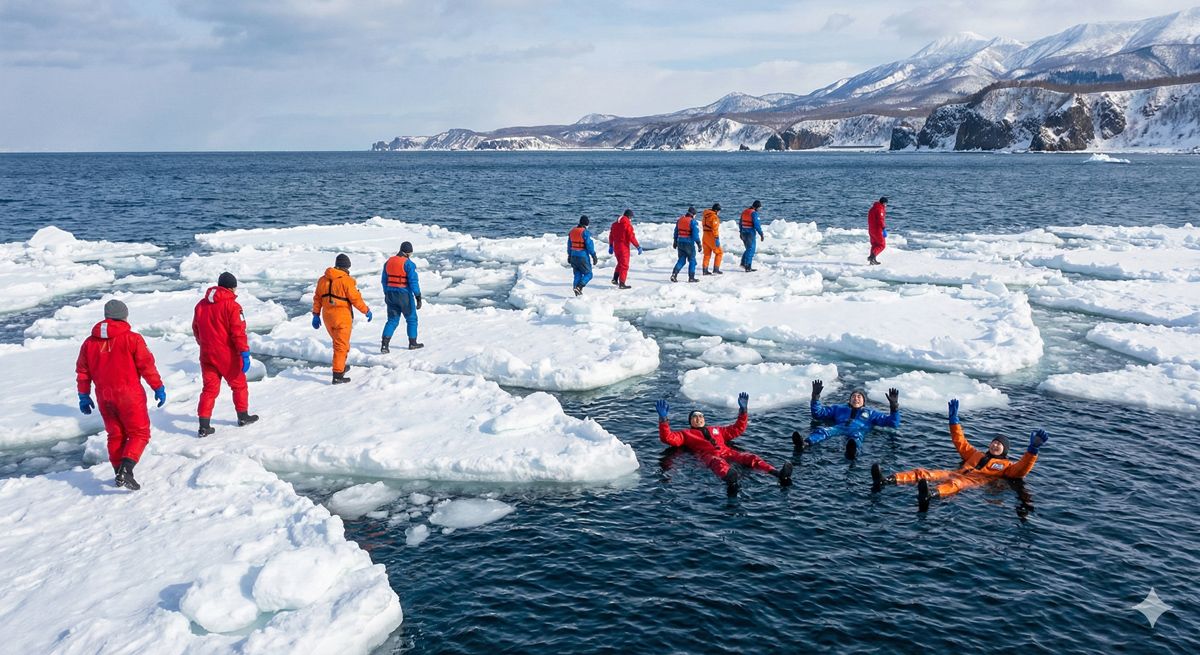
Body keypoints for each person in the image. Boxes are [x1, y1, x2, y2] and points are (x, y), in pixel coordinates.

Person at [872, 399, 1050, 512]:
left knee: (954, 485)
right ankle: (886, 480)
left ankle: (930, 494)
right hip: (954, 471)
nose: (996, 445)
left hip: (973, 481)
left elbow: (1021, 471)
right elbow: (960, 441)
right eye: (994, 442)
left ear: (1004, 451)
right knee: (924, 472)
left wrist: (1032, 450)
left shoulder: (1007, 466)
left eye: (1000, 444)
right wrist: (954, 420)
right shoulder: (976, 454)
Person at [76, 299, 166, 491]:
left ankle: (119, 473)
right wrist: (158, 387)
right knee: (139, 433)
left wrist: (84, 395)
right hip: (129, 395)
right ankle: (126, 471)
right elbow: (146, 366)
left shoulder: (89, 343)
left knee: (115, 435)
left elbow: (83, 372)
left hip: (104, 396)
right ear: (124, 316)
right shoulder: (132, 339)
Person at [656, 393, 793, 496]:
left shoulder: (717, 430)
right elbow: (668, 438)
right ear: (690, 422)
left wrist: (743, 412)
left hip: (727, 452)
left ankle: (776, 473)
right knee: (718, 463)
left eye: (701, 416)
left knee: (750, 457)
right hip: (707, 456)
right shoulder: (685, 434)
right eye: (695, 417)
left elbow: (737, 428)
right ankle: (730, 479)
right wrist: (664, 420)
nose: (698, 419)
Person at [193, 272, 258, 438]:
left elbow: (196, 328)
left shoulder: (201, 305)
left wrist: (203, 344)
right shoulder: (233, 306)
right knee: (239, 385)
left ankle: (204, 426)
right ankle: (243, 416)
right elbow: (238, 332)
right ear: (231, 287)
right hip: (226, 354)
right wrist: (244, 352)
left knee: (209, 389)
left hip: (207, 353)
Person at [793, 380, 900, 460]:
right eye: (853, 396)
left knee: (855, 439)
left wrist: (894, 408)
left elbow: (892, 423)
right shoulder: (839, 408)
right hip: (839, 428)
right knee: (823, 431)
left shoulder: (871, 413)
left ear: (864, 401)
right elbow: (818, 414)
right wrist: (815, 397)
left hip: (858, 430)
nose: (856, 398)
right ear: (849, 400)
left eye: (859, 396)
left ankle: (852, 452)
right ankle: (805, 443)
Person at [311, 253, 372, 384]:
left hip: (327, 317)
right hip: (342, 318)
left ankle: (342, 366)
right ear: (345, 267)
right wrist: (366, 310)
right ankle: (338, 375)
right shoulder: (346, 281)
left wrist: (316, 314)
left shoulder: (322, 280)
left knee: (339, 344)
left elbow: (317, 298)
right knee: (341, 346)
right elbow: (356, 299)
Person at [381, 241, 424, 352]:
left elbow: (384, 280)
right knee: (411, 319)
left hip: (390, 294)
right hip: (404, 295)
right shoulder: (409, 264)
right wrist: (418, 297)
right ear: (408, 253)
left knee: (392, 320)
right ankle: (412, 343)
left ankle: (384, 345)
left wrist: (387, 293)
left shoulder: (388, 262)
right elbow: (413, 282)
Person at [608, 209, 643, 289]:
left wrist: (610, 245)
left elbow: (611, 236)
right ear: (629, 217)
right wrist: (638, 246)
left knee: (620, 263)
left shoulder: (614, 224)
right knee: (624, 265)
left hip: (616, 247)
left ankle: (615, 279)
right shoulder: (627, 225)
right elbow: (631, 237)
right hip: (624, 247)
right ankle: (622, 283)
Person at [567, 215, 598, 296]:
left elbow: (569, 245)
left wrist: (569, 256)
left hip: (573, 256)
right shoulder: (585, 232)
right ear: (586, 224)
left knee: (577, 274)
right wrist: (594, 255)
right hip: (582, 256)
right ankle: (579, 287)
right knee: (589, 274)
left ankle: (576, 290)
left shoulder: (572, 231)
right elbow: (589, 244)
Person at [670, 206, 701, 283]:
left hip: (680, 242)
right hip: (689, 244)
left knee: (681, 260)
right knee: (692, 260)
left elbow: (676, 231)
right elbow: (695, 235)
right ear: (693, 214)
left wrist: (675, 241)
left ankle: (674, 274)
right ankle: (691, 278)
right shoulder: (693, 222)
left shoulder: (680, 220)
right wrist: (699, 244)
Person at [739, 200, 765, 272]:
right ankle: (748, 267)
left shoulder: (744, 211)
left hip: (743, 232)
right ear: (756, 207)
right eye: (759, 208)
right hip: (750, 233)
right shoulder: (754, 213)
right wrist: (761, 234)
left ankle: (743, 263)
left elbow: (740, 223)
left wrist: (740, 232)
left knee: (748, 249)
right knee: (751, 250)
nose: (759, 210)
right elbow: (757, 225)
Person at [701, 203, 724, 275]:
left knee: (707, 254)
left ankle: (705, 270)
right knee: (719, 253)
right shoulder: (714, 217)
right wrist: (716, 238)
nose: (719, 212)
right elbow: (715, 229)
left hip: (705, 236)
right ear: (716, 210)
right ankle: (716, 269)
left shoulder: (705, 215)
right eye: (719, 211)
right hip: (712, 237)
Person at [867, 196, 889, 265]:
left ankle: (872, 260)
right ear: (884, 203)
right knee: (882, 245)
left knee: (874, 245)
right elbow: (880, 220)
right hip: (878, 230)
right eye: (886, 204)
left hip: (871, 229)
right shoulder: (880, 209)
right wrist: (884, 228)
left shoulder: (872, 209)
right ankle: (872, 256)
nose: (886, 205)